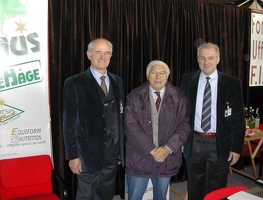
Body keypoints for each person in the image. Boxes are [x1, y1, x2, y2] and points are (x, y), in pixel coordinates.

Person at [180, 42, 246, 200]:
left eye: (210, 58)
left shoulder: (232, 83)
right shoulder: (187, 80)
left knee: (217, 187)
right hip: (194, 141)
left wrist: (236, 148)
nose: (206, 62)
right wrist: (181, 140)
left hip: (220, 142)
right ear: (197, 60)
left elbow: (238, 119)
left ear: (218, 59)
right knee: (194, 186)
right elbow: (181, 113)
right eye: (202, 58)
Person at [62, 38, 124, 200]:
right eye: (98, 52)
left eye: (107, 53)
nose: (102, 57)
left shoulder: (118, 81)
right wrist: (72, 156)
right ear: (89, 55)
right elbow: (69, 124)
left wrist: (120, 152)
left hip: (112, 152)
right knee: (86, 196)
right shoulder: (75, 83)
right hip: (86, 155)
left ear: (111, 56)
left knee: (105, 194)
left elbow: (119, 117)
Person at [124, 60, 190, 200]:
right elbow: (130, 127)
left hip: (166, 158)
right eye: (154, 73)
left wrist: (168, 148)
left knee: (161, 197)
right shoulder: (134, 96)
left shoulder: (179, 97)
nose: (158, 77)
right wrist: (152, 149)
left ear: (168, 75)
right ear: (147, 75)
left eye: (162, 73)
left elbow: (184, 125)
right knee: (134, 197)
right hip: (139, 158)